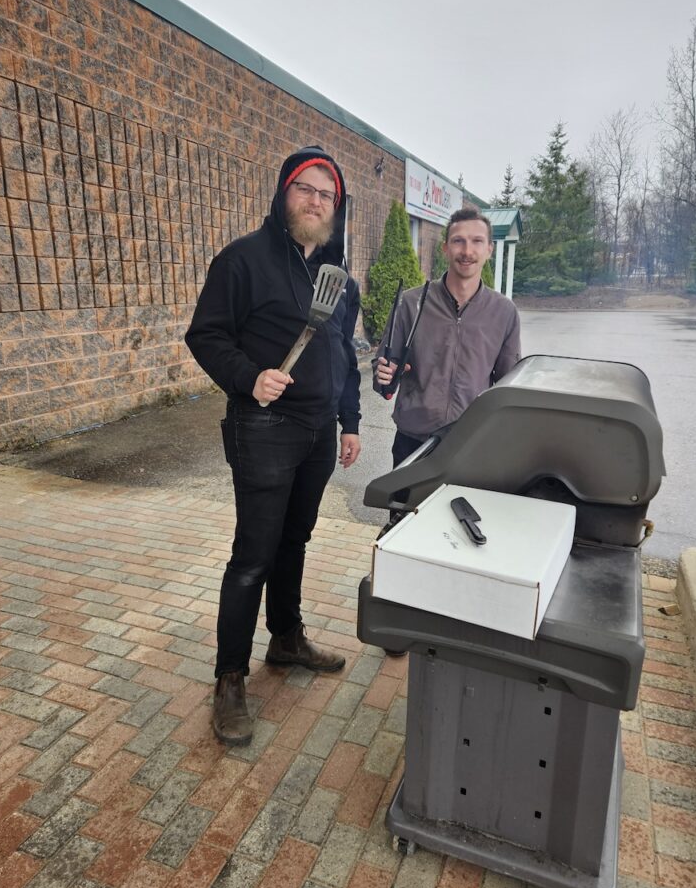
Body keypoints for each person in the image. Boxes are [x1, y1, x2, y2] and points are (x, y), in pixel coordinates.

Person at [186, 146, 361, 746]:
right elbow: (204, 334)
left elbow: (343, 356)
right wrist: (248, 377)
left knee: (295, 540)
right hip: (262, 430)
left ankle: (285, 639)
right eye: (305, 189)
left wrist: (350, 420)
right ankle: (230, 678)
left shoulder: (338, 280)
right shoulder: (243, 260)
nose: (315, 201)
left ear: (337, 208)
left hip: (317, 433)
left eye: (326, 194)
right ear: (283, 193)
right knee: (253, 555)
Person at [374, 206, 521, 466]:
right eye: (458, 241)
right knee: (406, 508)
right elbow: (384, 369)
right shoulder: (411, 303)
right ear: (445, 248)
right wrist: (383, 374)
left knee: (464, 509)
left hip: (472, 444)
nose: (467, 251)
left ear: (489, 249)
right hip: (413, 441)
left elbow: (507, 385)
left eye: (477, 241)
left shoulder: (504, 312)